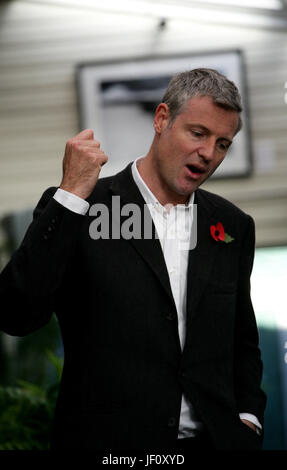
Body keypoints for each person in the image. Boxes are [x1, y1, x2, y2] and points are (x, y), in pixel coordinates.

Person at [0, 68, 266, 452]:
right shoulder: (83, 208)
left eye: (223, 144)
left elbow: (243, 340)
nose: (209, 153)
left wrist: (250, 419)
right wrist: (72, 193)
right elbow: (15, 313)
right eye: (198, 133)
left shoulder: (233, 226)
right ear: (161, 119)